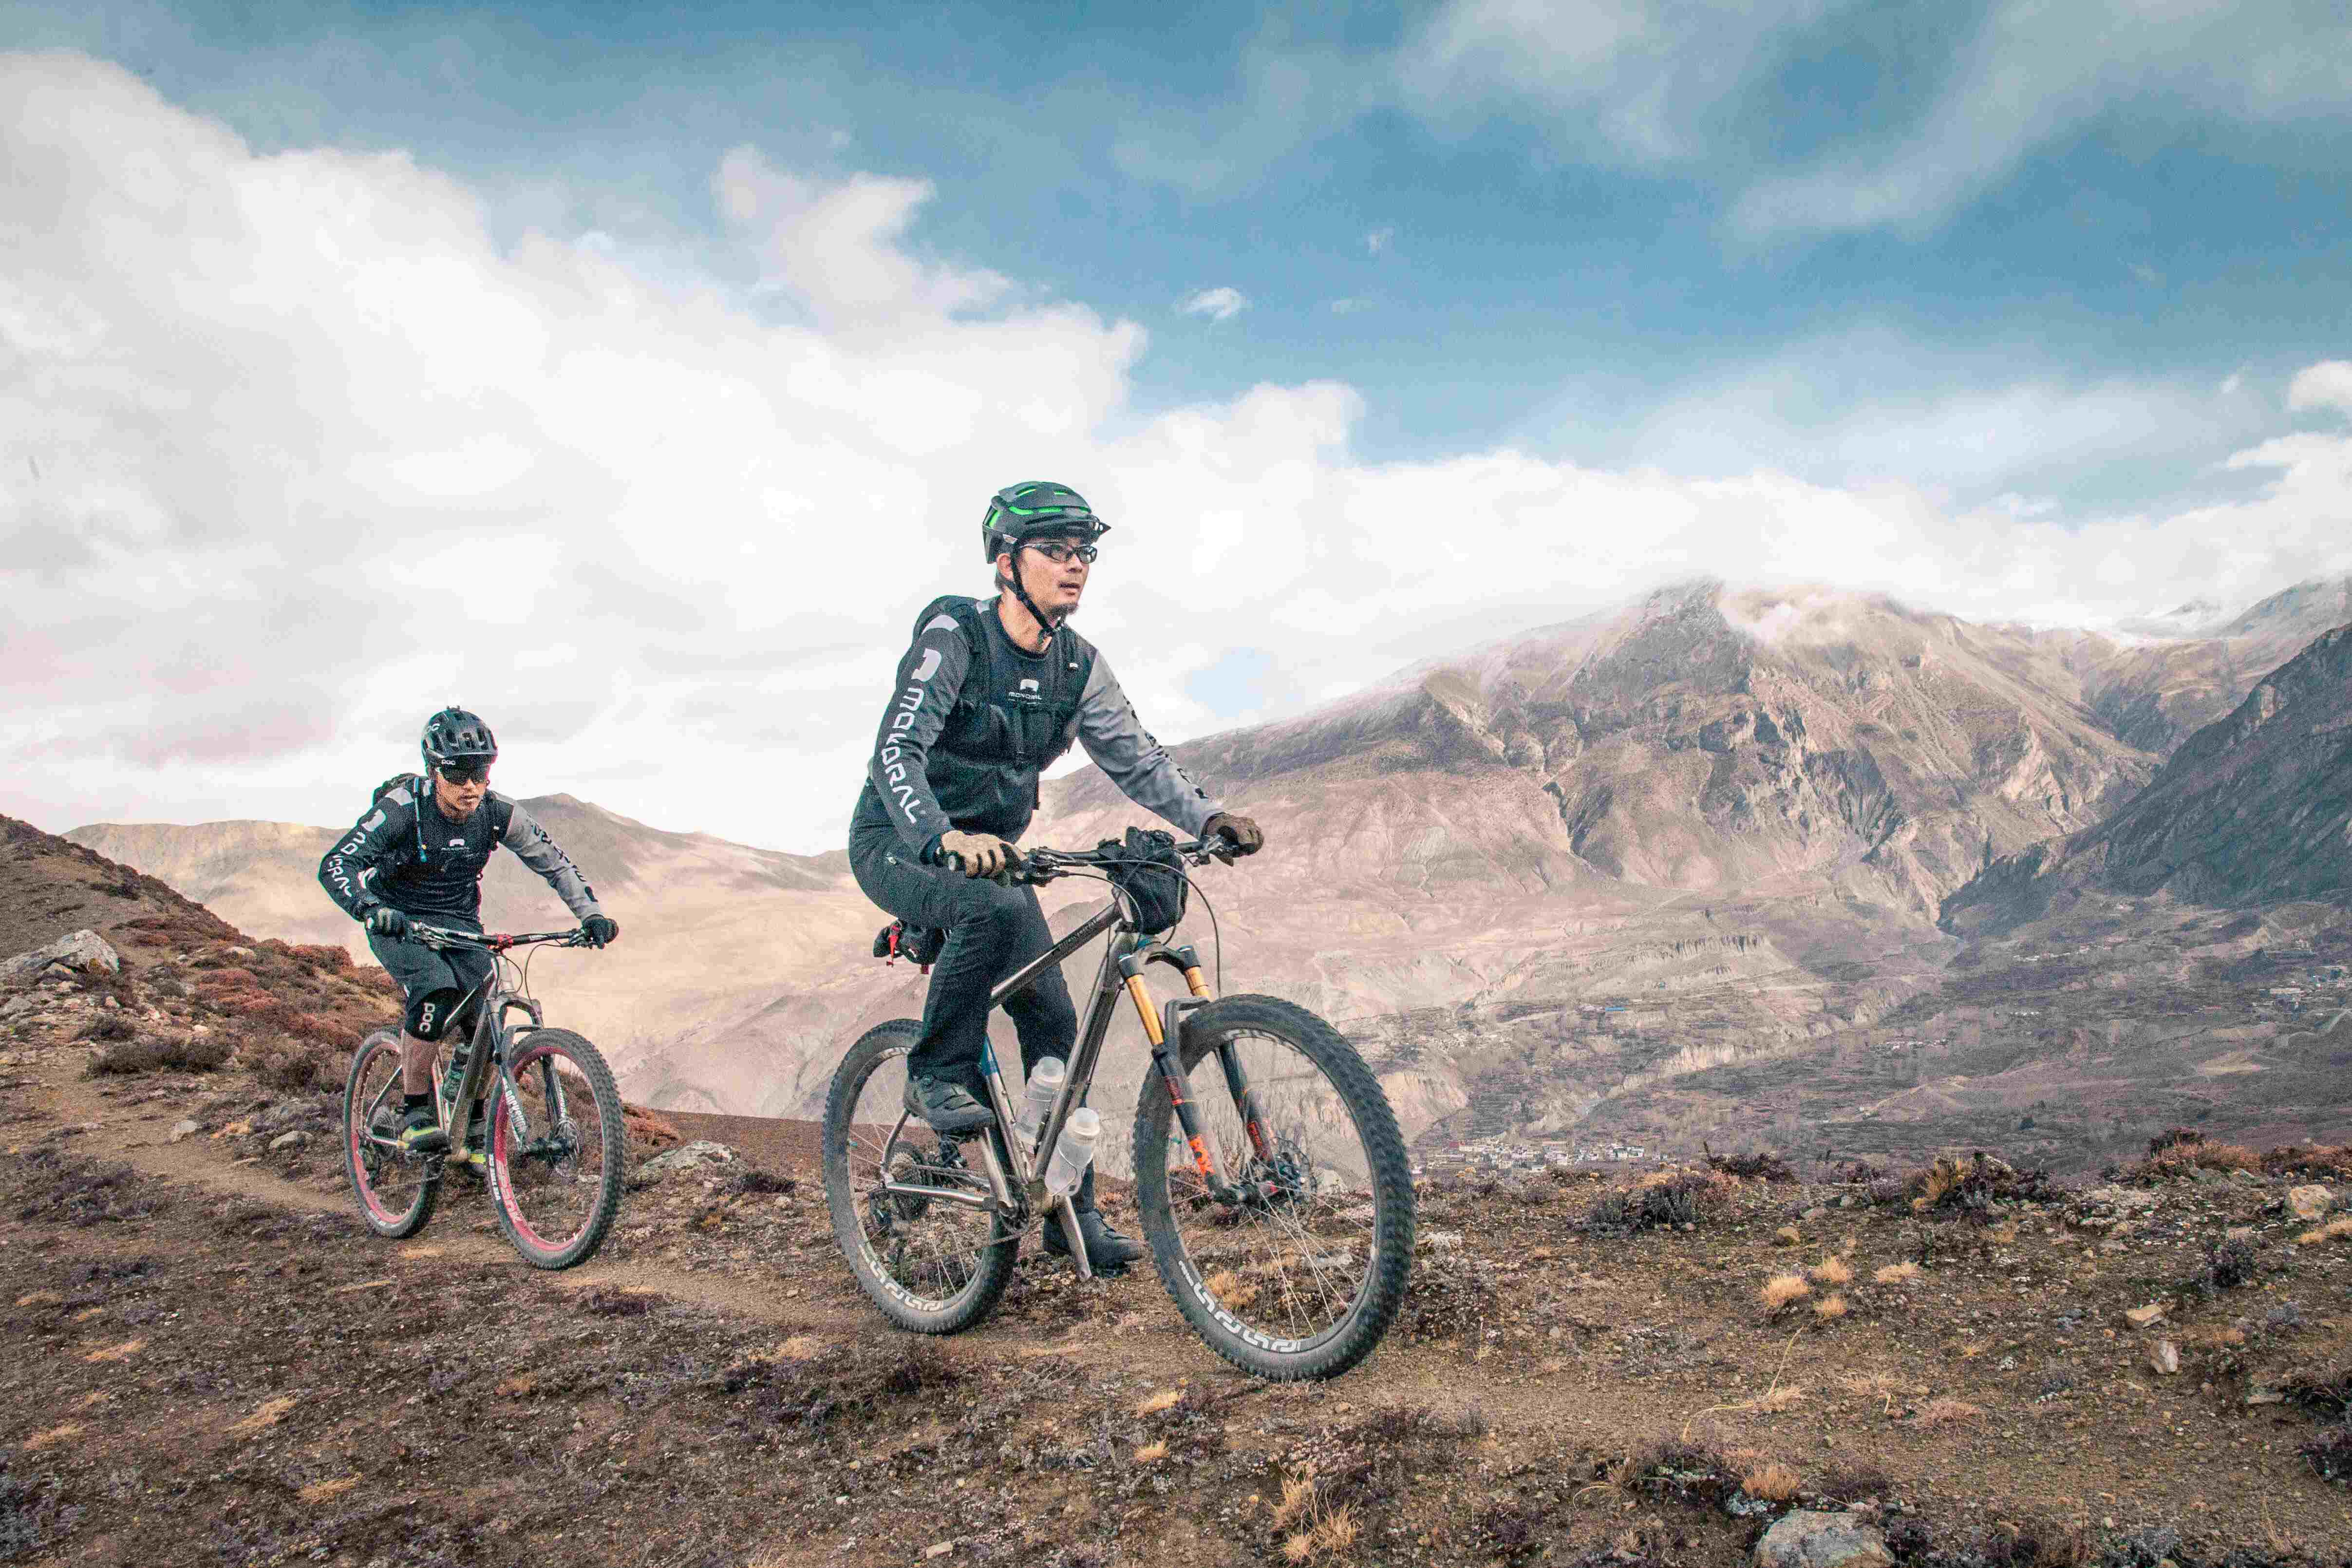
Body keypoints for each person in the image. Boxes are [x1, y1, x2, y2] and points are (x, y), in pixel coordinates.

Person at [848, 481, 1264, 1271]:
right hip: (898, 843)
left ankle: (1064, 1209)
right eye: (1056, 550)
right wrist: (941, 838)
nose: (1075, 566)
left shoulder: (1077, 668)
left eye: (1085, 552)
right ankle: (934, 1070)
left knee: (1054, 1026)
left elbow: (1137, 759)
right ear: (1006, 561)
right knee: (989, 907)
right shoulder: (954, 635)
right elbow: (893, 753)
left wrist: (1207, 817)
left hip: (992, 866)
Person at [318, 707, 619, 1156]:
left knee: (485, 1015)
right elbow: (336, 864)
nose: (471, 787)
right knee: (435, 992)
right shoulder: (403, 809)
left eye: (480, 773)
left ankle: (475, 1125)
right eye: (457, 775)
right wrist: (369, 907)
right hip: (399, 919)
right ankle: (415, 1113)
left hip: (458, 922)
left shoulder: (497, 813)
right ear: (433, 770)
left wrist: (590, 913)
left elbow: (554, 863)